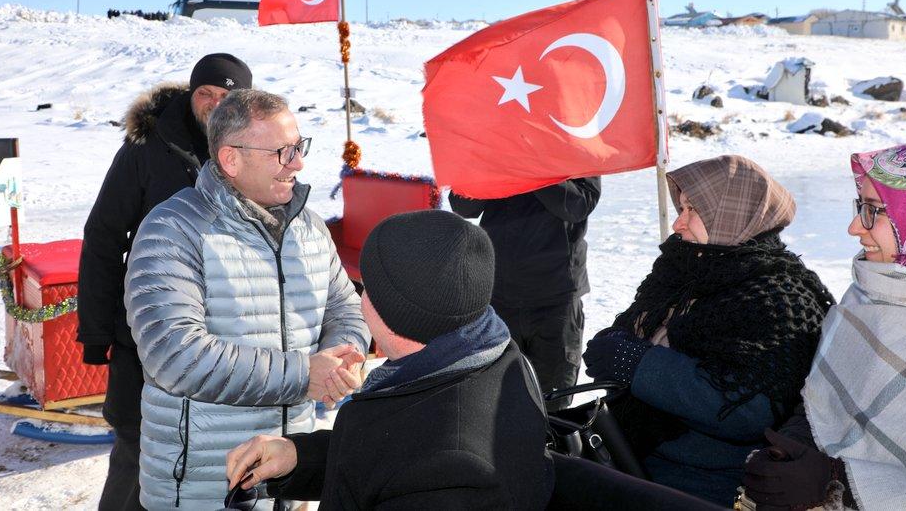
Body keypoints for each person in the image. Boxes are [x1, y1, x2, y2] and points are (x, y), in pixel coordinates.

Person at [124, 89, 371, 510]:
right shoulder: (173, 229)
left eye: (299, 147)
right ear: (231, 159)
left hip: (286, 481)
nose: (298, 163)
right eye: (282, 151)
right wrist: (303, 373)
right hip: (201, 490)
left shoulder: (308, 227)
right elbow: (174, 355)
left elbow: (344, 306)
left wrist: (344, 354)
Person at [226, 209, 555, 510]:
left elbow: (412, 463)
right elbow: (393, 457)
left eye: (366, 285)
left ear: (396, 314)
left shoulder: (456, 471)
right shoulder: (484, 361)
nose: (359, 294)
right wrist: (301, 457)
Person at [583, 155, 835, 506]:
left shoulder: (779, 294)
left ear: (731, 214)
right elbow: (630, 332)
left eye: (692, 210)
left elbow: (747, 410)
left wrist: (639, 364)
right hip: (630, 451)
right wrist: (618, 348)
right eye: (680, 208)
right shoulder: (683, 269)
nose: (677, 223)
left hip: (707, 481)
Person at [743, 137, 906, 511]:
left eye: (874, 209)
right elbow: (823, 399)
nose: (853, 228)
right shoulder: (870, 293)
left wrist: (835, 480)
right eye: (859, 206)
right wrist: (794, 447)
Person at [76, 52, 253, 511]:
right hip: (148, 337)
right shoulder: (148, 148)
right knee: (139, 455)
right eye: (206, 94)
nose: (216, 105)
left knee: (216, 459)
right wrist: (96, 331)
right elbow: (103, 235)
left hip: (225, 338)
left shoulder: (256, 149)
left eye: (228, 96)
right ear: (192, 95)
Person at [449, 178, 600, 410]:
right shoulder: (496, 144)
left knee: (552, 407)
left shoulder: (575, 141)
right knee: (491, 404)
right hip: (498, 296)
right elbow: (463, 205)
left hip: (556, 298)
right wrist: (500, 161)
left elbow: (578, 205)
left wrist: (531, 166)